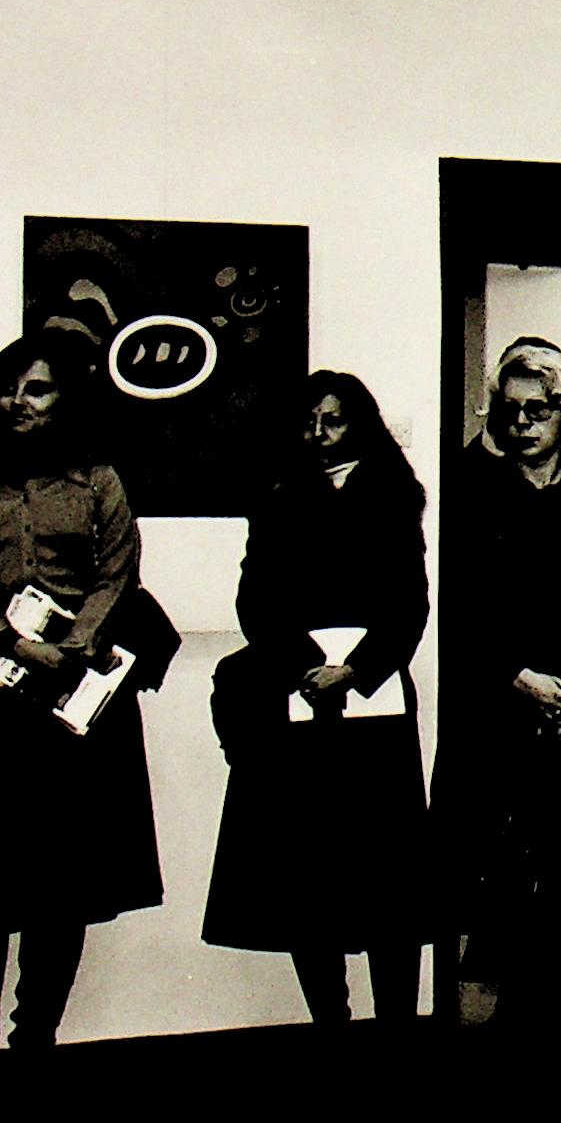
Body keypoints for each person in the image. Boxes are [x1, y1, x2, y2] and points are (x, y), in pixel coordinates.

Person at [0, 329, 163, 1054]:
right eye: (8, 390)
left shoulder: (99, 482)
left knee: (61, 885)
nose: (18, 402)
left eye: (37, 389)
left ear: (66, 400)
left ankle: (35, 1041)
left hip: (70, 699)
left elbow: (117, 573)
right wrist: (9, 639)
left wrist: (75, 646)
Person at [202, 372, 430, 1026]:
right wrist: (306, 665)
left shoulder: (394, 495)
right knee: (307, 880)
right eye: (309, 421)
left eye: (333, 420)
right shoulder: (277, 496)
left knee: (387, 883)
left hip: (375, 710)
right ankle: (331, 1023)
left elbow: (409, 605)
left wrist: (353, 671)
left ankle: (395, 1028)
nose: (320, 434)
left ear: (359, 424)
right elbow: (255, 602)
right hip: (297, 702)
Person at [433, 338, 561, 1029]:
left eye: (538, 410)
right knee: (501, 884)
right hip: (501, 710)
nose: (522, 423)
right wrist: (516, 675)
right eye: (511, 410)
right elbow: (459, 606)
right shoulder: (473, 487)